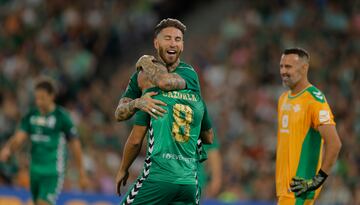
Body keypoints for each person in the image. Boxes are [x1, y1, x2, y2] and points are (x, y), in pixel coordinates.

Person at [115, 62, 213, 205]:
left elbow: (135, 141)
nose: (139, 84)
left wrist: (123, 169)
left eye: (141, 79)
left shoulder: (151, 98)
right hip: (190, 182)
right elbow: (209, 137)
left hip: (159, 178)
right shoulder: (197, 99)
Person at [0, 77, 89, 205]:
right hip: (35, 170)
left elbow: (75, 144)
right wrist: (8, 150)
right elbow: (19, 138)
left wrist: (82, 172)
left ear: (52, 96)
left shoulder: (62, 117)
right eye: (37, 98)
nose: (39, 102)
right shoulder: (31, 115)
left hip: (53, 171)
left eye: (42, 98)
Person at [276, 48, 342, 205]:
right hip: (285, 191)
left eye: (289, 67)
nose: (283, 71)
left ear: (304, 68)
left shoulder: (314, 100)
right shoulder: (283, 98)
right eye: (281, 66)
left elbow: (334, 143)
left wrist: (316, 181)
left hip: (299, 190)